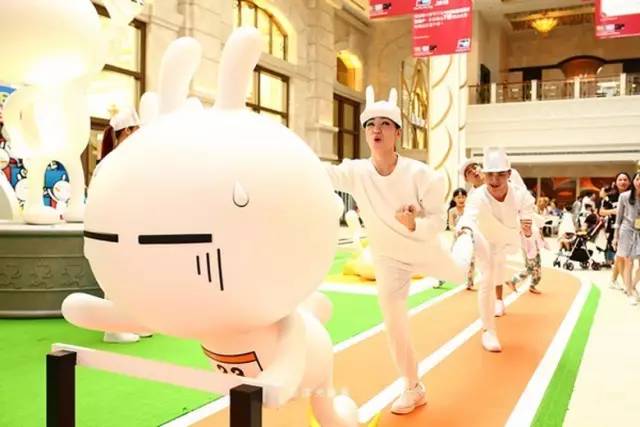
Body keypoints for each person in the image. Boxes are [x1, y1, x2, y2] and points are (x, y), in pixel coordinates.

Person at [325, 85, 464, 415]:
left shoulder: (421, 175)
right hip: (388, 259)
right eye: (371, 124)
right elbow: (319, 173)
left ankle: (473, 242)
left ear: (397, 133)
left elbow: (437, 220)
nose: (377, 130)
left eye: (385, 124)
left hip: (424, 249)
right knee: (394, 323)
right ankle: (413, 387)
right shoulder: (356, 171)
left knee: (465, 272)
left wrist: (414, 224)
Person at [453, 147, 534, 352]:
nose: (494, 180)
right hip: (485, 239)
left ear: (509, 174)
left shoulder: (521, 195)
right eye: (490, 174)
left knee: (501, 268)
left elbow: (528, 213)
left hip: (507, 238)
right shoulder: (476, 196)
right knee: (487, 277)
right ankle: (488, 330)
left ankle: (499, 299)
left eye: (500, 174)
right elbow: (468, 217)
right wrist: (464, 231)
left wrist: (527, 228)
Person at [99, 107, 144, 343]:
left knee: (129, 277)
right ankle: (113, 329)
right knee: (116, 277)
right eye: (137, 130)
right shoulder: (115, 161)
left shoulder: (118, 159)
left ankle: (129, 323)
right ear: (127, 131)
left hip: (124, 226)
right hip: (114, 228)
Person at [613, 172, 640, 305]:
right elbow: (618, 217)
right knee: (628, 262)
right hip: (627, 230)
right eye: (638, 179)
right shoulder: (624, 196)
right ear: (633, 181)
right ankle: (629, 292)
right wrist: (615, 236)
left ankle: (633, 286)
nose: (639, 182)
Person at [599, 172, 631, 285]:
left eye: (625, 179)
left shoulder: (633, 196)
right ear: (616, 182)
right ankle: (626, 283)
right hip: (614, 230)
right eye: (620, 180)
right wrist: (614, 211)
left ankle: (613, 280)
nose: (623, 182)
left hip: (631, 229)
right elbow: (601, 212)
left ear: (629, 182)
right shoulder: (610, 197)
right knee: (622, 255)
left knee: (621, 256)